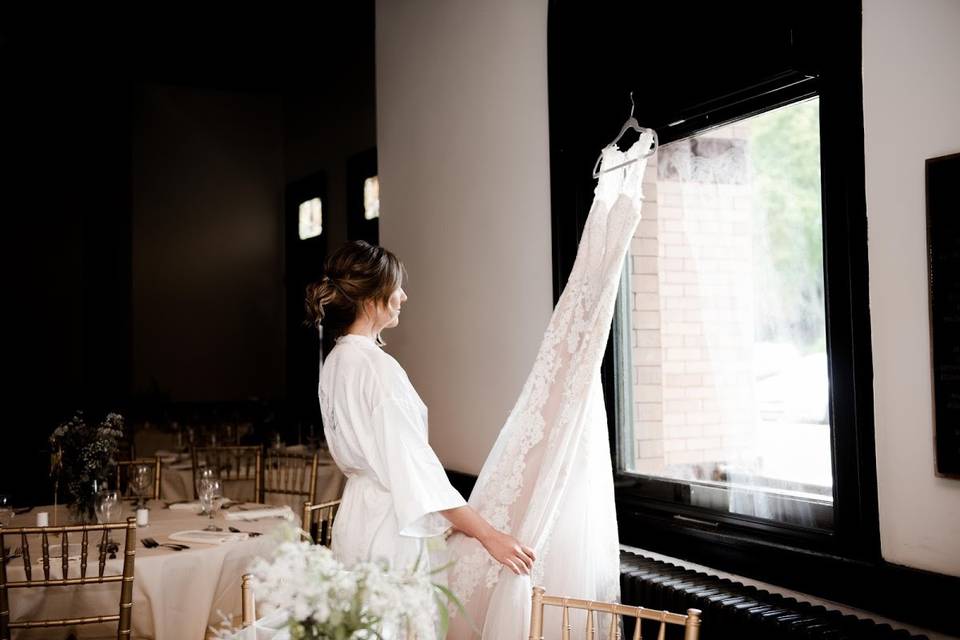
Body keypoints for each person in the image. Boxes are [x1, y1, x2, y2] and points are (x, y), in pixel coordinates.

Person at [306, 240, 535, 578]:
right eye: (396, 287)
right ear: (371, 299)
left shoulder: (336, 360)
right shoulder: (377, 368)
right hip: (388, 528)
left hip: (354, 517)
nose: (404, 296)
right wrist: (488, 534)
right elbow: (413, 468)